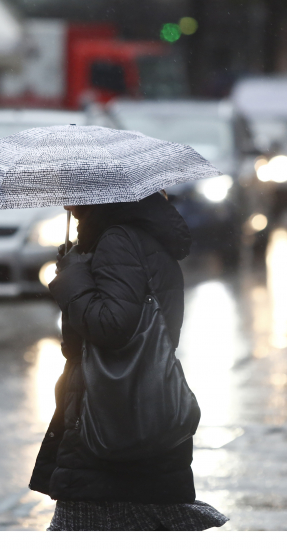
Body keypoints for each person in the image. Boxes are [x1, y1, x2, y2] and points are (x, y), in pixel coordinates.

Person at [30, 191, 228, 531]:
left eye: (77, 194)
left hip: (109, 420)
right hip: (135, 412)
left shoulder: (118, 240)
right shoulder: (138, 238)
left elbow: (112, 327)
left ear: (100, 197)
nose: (69, 205)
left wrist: (72, 279)